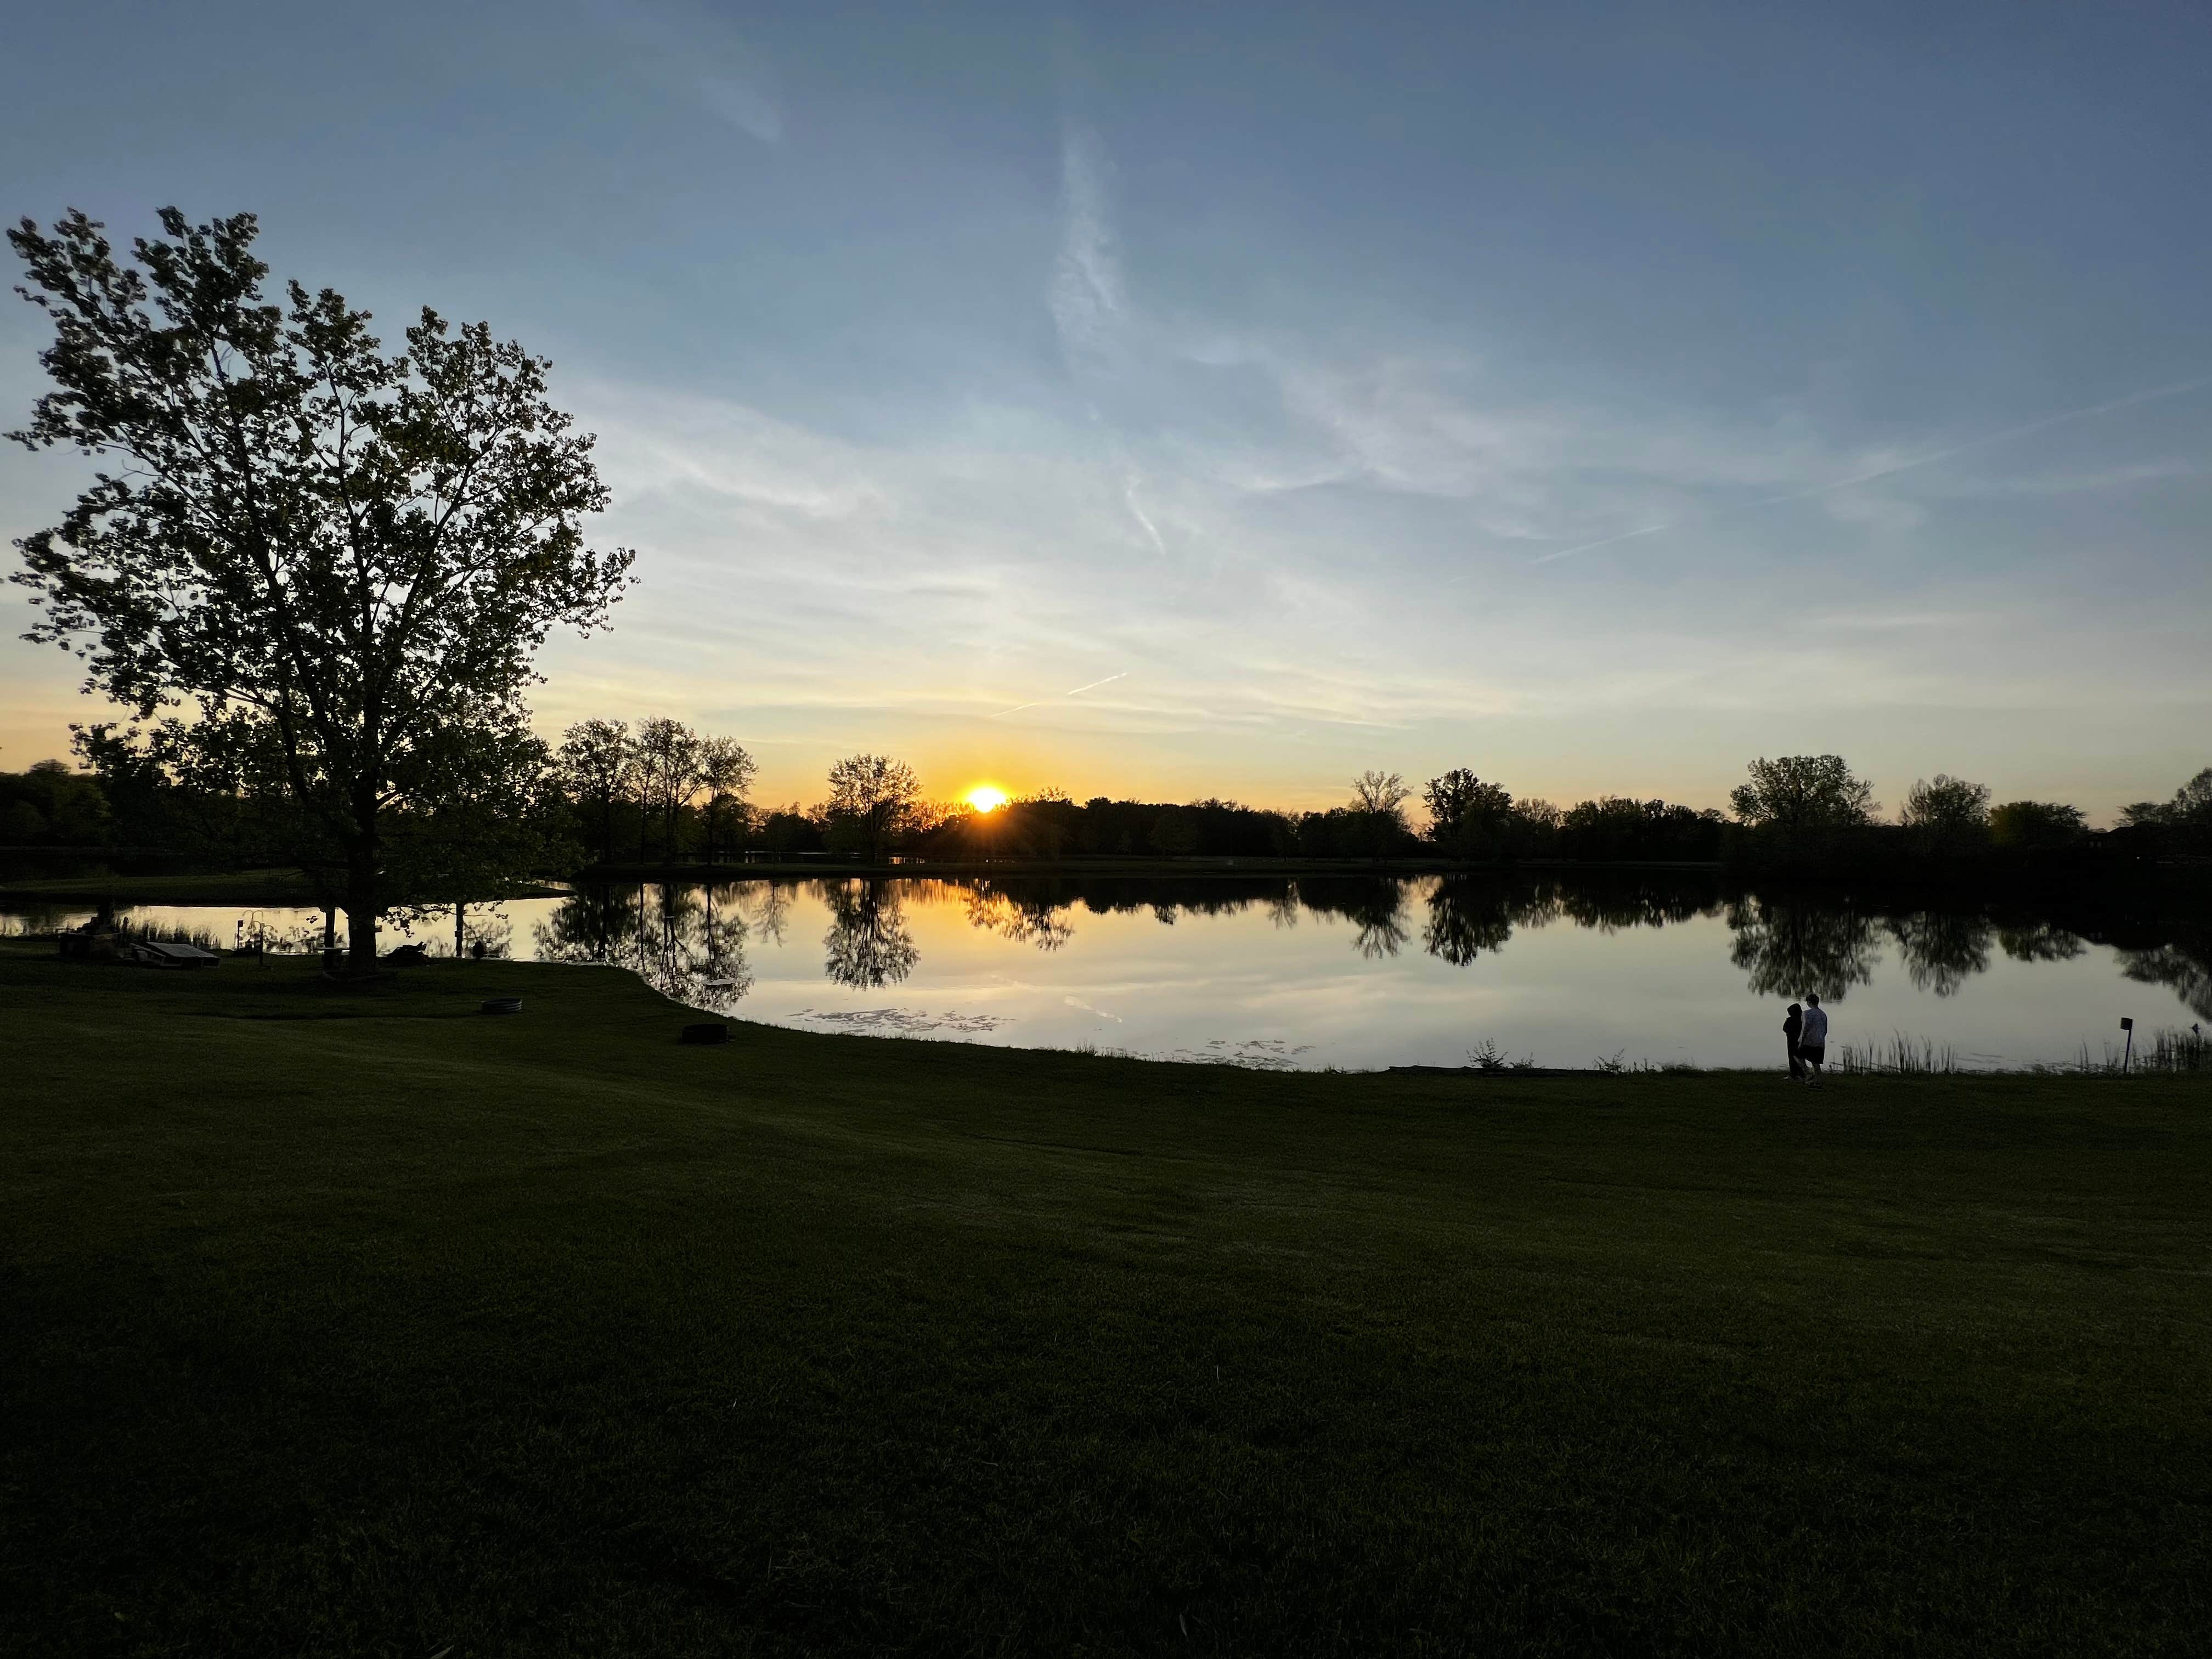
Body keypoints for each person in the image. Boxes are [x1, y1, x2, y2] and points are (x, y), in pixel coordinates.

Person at [1799, 993, 1829, 1085]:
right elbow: (1825, 1029)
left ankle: (1808, 1074)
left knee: (1797, 1055)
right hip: (1820, 1041)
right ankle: (1818, 1080)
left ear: (1809, 1002)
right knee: (1816, 1062)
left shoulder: (1807, 1014)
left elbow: (1805, 1028)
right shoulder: (1823, 1014)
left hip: (1809, 1041)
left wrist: (1801, 1041)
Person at [1783, 1002, 1805, 1082]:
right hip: (1800, 1042)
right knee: (1800, 1058)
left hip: (1791, 1042)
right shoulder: (1803, 1020)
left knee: (1792, 1058)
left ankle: (1794, 1075)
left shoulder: (1790, 1020)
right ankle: (1802, 1074)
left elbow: (1785, 1029)